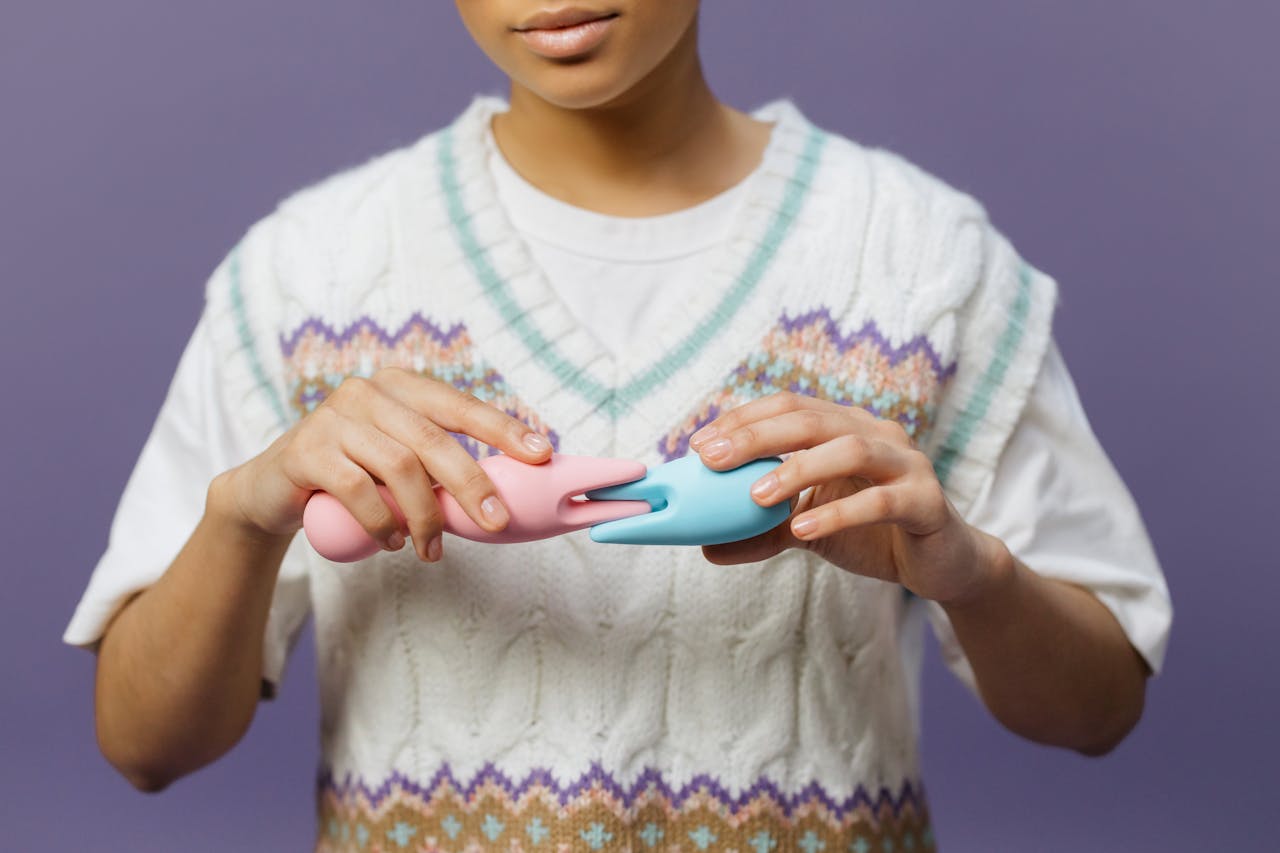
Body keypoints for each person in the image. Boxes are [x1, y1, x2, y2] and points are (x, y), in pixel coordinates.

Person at [64, 2, 1172, 850]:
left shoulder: (925, 259)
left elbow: (1096, 711)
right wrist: (245, 519)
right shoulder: (304, 269)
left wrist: (967, 570)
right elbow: (145, 746)